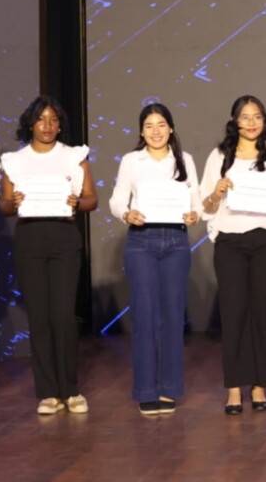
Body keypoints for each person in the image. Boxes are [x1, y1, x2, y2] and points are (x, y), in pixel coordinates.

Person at [200, 95, 266, 415]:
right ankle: (233, 388)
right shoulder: (219, 157)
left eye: (257, 116)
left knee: (262, 312)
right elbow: (205, 206)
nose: (252, 122)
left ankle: (258, 385)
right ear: (234, 122)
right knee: (233, 314)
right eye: (245, 117)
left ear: (265, 121)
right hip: (230, 241)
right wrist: (216, 192)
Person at [0, 96, 98, 415]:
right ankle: (48, 393)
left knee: (63, 316)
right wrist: (13, 201)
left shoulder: (74, 156)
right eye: (41, 119)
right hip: (30, 237)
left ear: (60, 125)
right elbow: (4, 206)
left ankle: (71, 390)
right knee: (39, 317)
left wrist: (76, 202)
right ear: (31, 123)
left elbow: (92, 199)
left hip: (63, 236)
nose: (47, 125)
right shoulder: (15, 160)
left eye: (53, 120)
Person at [108, 103, 201, 415]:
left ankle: (169, 389)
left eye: (161, 124)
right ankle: (146, 390)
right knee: (145, 316)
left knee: (173, 316)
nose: (156, 131)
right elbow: (117, 198)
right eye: (149, 126)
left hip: (176, 241)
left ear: (171, 128)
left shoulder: (184, 160)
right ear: (141, 131)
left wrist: (195, 213)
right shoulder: (132, 161)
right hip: (142, 241)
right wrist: (126, 213)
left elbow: (196, 200)